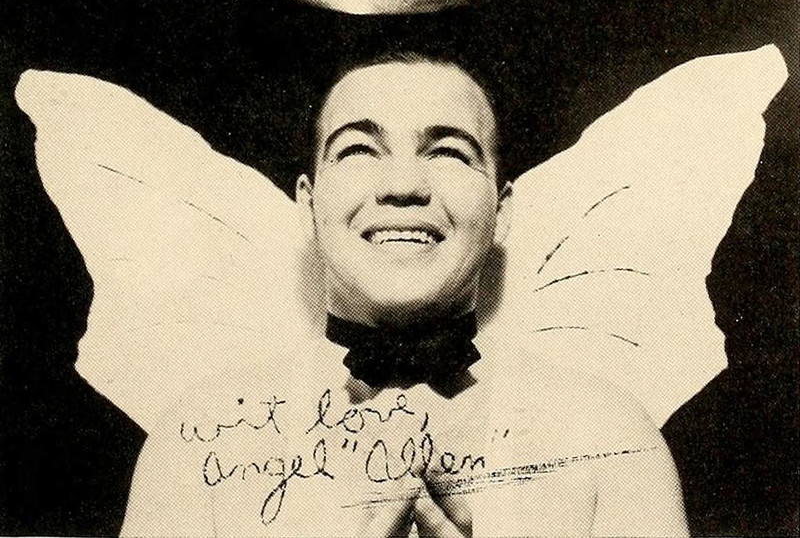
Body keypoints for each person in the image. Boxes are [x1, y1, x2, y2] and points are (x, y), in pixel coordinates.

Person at [121, 51, 688, 537]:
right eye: (359, 150)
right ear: (308, 203)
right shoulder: (192, 441)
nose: (403, 186)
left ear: (502, 210)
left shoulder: (615, 441)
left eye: (448, 152)